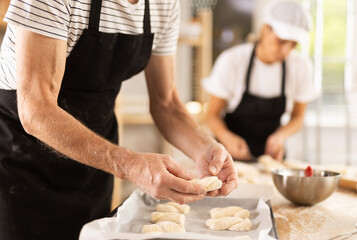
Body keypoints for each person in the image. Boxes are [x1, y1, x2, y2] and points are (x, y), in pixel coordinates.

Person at [0, 0, 238, 239]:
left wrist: (204, 148)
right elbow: (36, 110)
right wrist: (129, 164)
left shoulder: (164, 3)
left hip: (94, 166)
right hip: (21, 166)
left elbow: (166, 104)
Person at [203, 0, 318, 162]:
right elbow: (212, 115)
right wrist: (227, 138)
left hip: (272, 158)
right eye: (282, 41)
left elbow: (298, 117)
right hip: (228, 157)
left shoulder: (300, 67)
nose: (286, 51)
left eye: (293, 45)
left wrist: (280, 136)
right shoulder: (232, 61)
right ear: (266, 29)